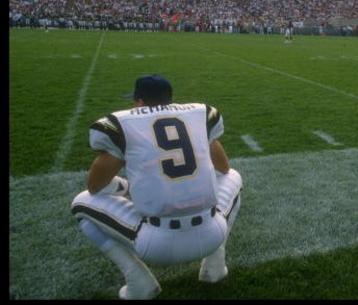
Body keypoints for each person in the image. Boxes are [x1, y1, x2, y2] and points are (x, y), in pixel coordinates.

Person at [70, 75, 242, 299]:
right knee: (234, 177)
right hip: (212, 233)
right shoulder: (199, 114)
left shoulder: (119, 124)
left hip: (156, 243)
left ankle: (138, 281)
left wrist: (126, 186)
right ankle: (215, 265)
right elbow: (223, 168)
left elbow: (95, 186)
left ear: (139, 102)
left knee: (81, 203)